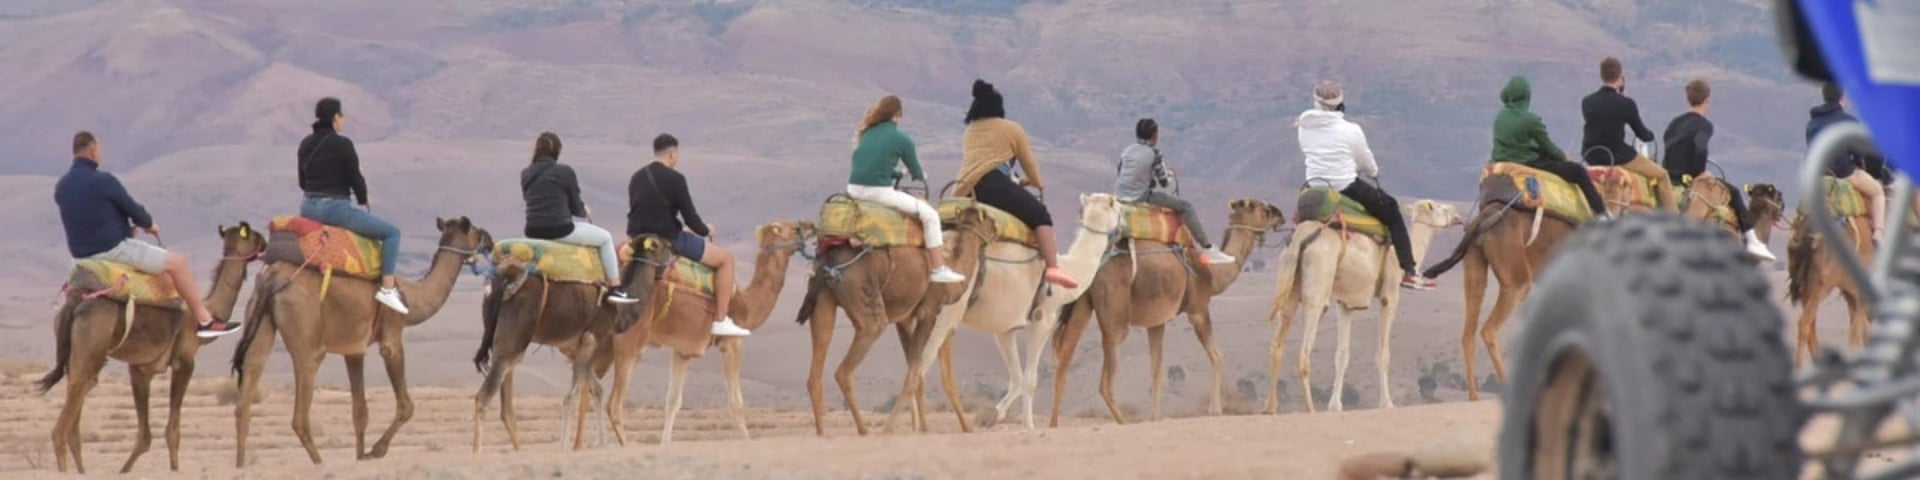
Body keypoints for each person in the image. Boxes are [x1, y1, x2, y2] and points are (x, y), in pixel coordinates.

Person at [55, 131, 240, 337]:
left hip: (79, 257)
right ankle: (205, 320)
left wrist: (123, 228)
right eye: (99, 150)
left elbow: (91, 217)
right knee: (178, 264)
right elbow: (132, 209)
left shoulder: (61, 187)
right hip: (112, 251)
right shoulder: (104, 181)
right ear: (92, 150)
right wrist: (149, 224)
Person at [1297, 81, 1436, 290]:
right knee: (1391, 210)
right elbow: (1365, 159)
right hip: (1345, 186)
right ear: (1340, 102)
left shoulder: (1303, 126)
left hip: (1313, 186)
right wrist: (1373, 172)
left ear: (1315, 101)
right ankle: (1409, 271)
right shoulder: (1351, 130)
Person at [950, 79, 1079, 288]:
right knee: (1040, 215)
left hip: (966, 188)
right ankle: (1053, 267)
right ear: (1000, 107)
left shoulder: (970, 131)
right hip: (994, 184)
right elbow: (1028, 162)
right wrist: (1037, 183)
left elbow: (983, 162)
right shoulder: (1011, 129)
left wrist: (1019, 182)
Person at [624, 134, 750, 337]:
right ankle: (720, 320)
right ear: (672, 154)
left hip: (636, 236)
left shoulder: (637, 177)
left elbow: (641, 210)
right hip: (667, 239)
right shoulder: (676, 179)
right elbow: (691, 217)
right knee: (726, 261)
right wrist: (705, 230)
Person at [297, 97, 409, 315]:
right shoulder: (343, 144)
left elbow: (302, 182)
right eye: (341, 116)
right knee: (392, 233)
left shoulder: (305, 144)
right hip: (334, 208)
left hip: (307, 208)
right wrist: (363, 198)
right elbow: (355, 177)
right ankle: (387, 289)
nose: (343, 120)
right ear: (335, 118)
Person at [846, 95, 967, 283]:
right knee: (931, 216)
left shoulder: (868, 133)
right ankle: (938, 268)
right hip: (877, 192)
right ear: (898, 115)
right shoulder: (902, 139)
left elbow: (872, 167)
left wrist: (897, 174)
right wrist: (920, 175)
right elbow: (917, 172)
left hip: (853, 189)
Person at [1662, 79, 1777, 261]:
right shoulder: (1704, 125)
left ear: (1688, 99)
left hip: (1669, 178)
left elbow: (1668, 147)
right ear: (1707, 100)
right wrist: (1701, 172)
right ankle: (1752, 240)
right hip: (1692, 179)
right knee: (1734, 192)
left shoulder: (1674, 123)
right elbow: (1700, 148)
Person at [520, 132, 638, 303]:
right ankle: (615, 288)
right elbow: (576, 208)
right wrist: (584, 210)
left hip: (532, 231)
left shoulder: (526, 173)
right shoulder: (564, 172)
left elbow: (532, 200)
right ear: (557, 152)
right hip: (560, 230)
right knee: (605, 238)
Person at [1491, 75, 1611, 219]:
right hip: (1528, 163)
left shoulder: (1500, 116)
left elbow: (1516, 142)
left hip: (1501, 162)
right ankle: (1602, 214)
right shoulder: (1531, 120)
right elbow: (1548, 148)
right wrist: (1564, 157)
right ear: (1526, 96)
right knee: (1578, 171)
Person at [1118, 118, 1234, 265]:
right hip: (1141, 196)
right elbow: (1164, 182)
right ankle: (1207, 248)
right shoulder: (1154, 154)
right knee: (1186, 206)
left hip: (1120, 195)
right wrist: (1171, 174)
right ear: (1154, 135)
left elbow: (1122, 173)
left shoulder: (1126, 151)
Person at [1580, 56, 1678, 211]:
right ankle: (1675, 222)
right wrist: (1651, 134)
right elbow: (1643, 135)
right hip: (1618, 155)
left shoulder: (1587, 102)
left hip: (1591, 155)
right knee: (1662, 175)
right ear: (1620, 78)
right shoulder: (1626, 104)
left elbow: (1602, 124)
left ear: (1601, 76)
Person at [1807, 82, 1888, 240]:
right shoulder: (1849, 121)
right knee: (1878, 192)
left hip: (1820, 175)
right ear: (1842, 97)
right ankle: (1879, 234)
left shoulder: (1812, 123)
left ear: (1824, 97)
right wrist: (1859, 162)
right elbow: (1858, 152)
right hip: (1845, 173)